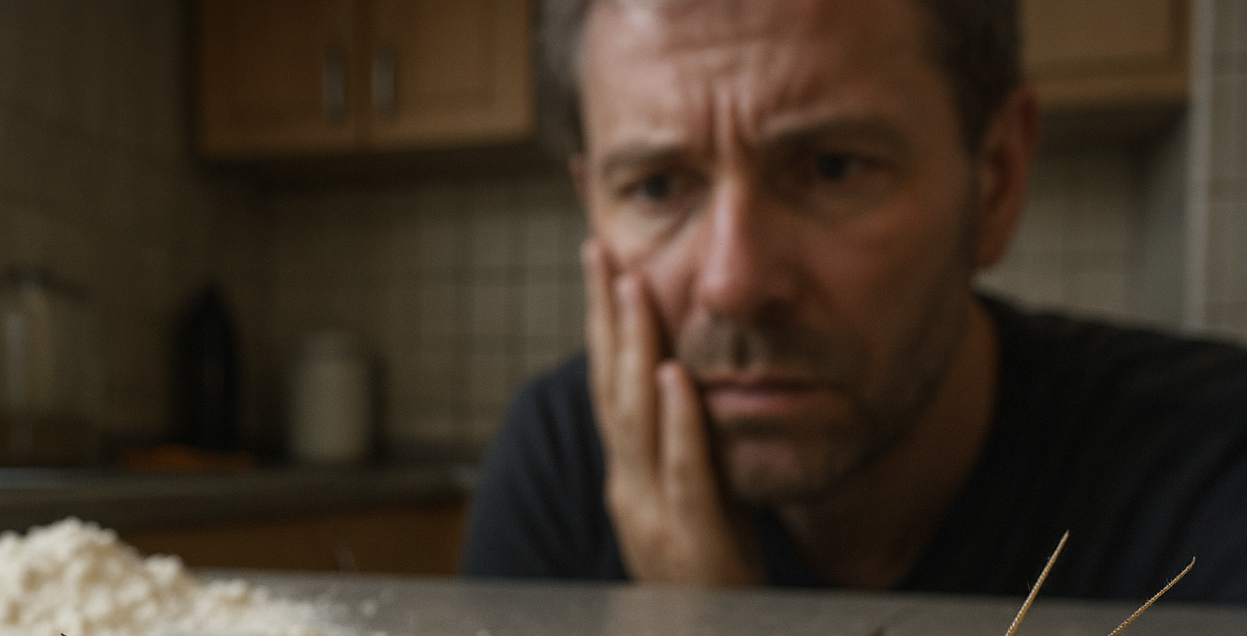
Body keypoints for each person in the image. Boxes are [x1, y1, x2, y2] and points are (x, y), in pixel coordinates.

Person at [462, 0, 1247, 602]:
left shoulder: (1213, 471)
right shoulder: (560, 464)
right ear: (592, 205)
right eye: (658, 187)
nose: (734, 285)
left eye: (833, 167)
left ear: (998, 176)